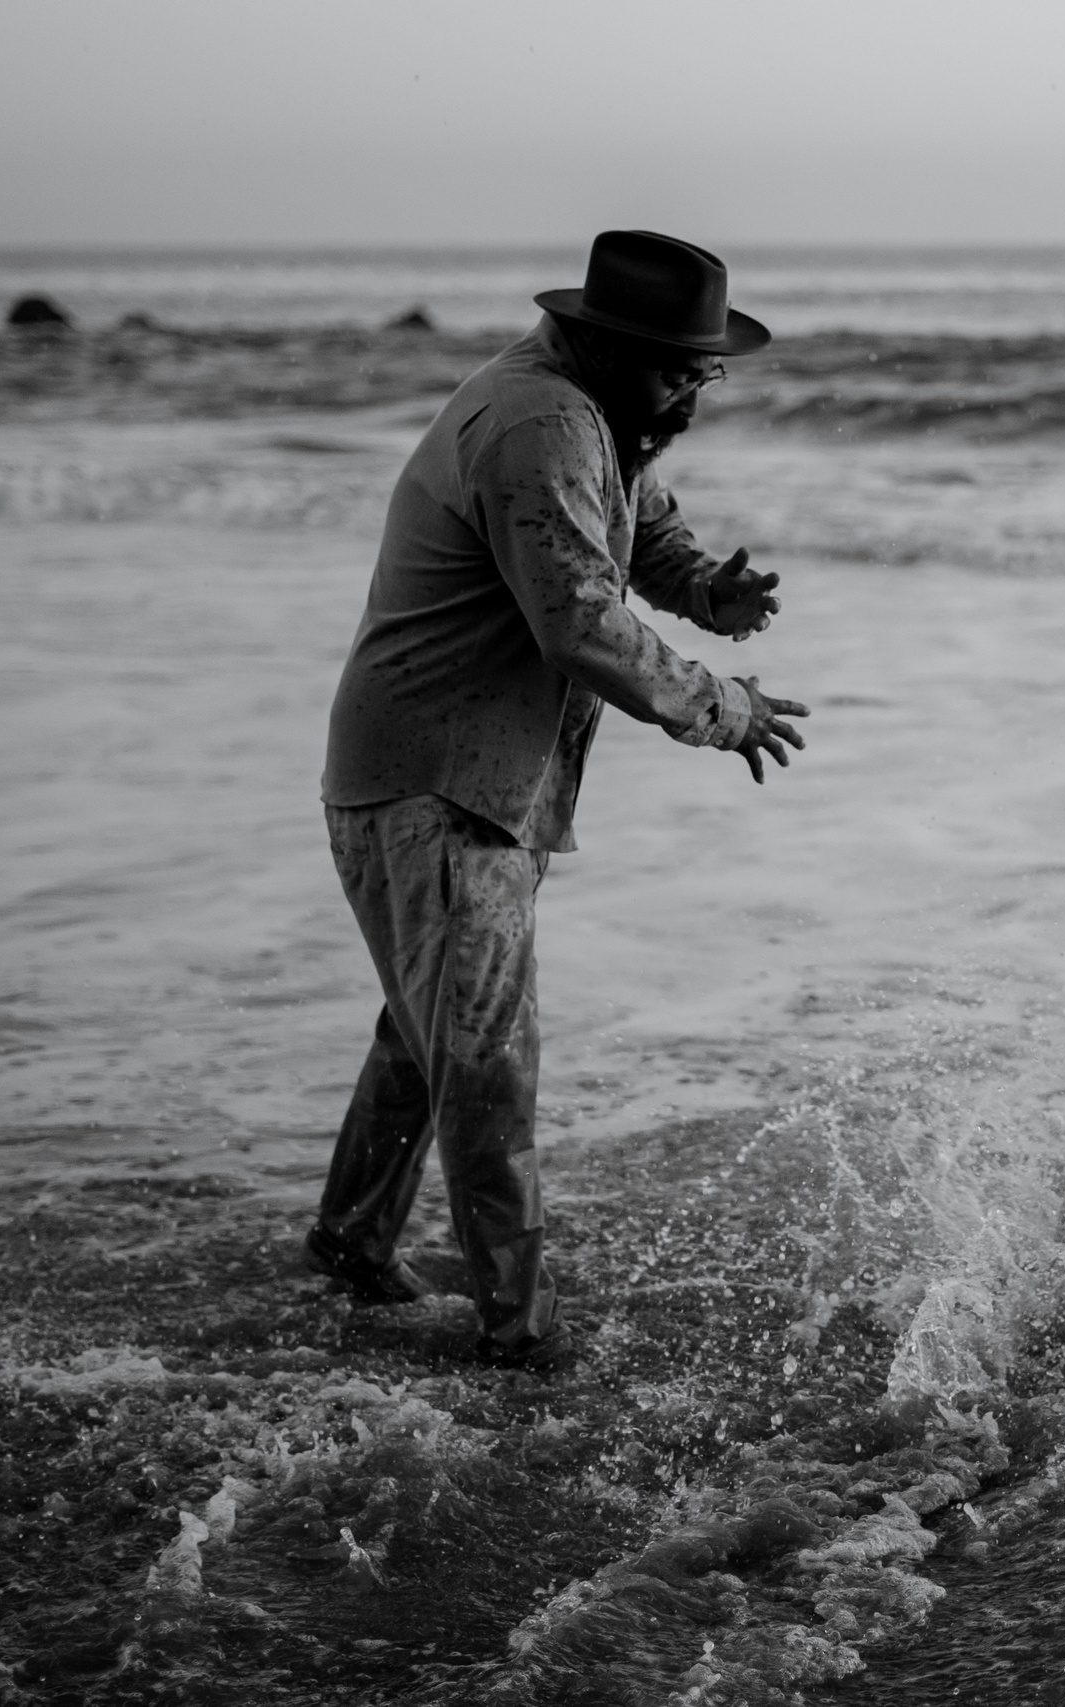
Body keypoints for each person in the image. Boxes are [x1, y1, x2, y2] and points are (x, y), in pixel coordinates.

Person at [307, 230, 807, 1368]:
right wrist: (721, 708)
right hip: (435, 786)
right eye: (683, 363)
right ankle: (520, 1332)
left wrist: (702, 588)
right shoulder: (540, 423)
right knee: (485, 1059)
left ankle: (349, 1250)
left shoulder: (583, 412)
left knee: (428, 1038)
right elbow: (579, 622)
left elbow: (630, 518)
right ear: (611, 343)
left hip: (449, 777)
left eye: (707, 363)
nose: (698, 382)